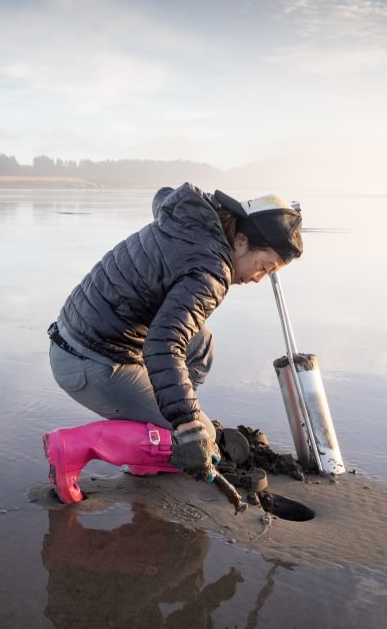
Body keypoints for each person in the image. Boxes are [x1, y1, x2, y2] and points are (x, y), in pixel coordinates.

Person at [43, 182, 303, 503]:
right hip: (89, 361)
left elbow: (162, 195)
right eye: (263, 266)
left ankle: (150, 433)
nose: (257, 278)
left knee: (201, 344)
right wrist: (188, 426)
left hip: (88, 334)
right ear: (240, 240)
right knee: (198, 434)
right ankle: (74, 447)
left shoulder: (192, 219)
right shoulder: (211, 270)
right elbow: (164, 344)